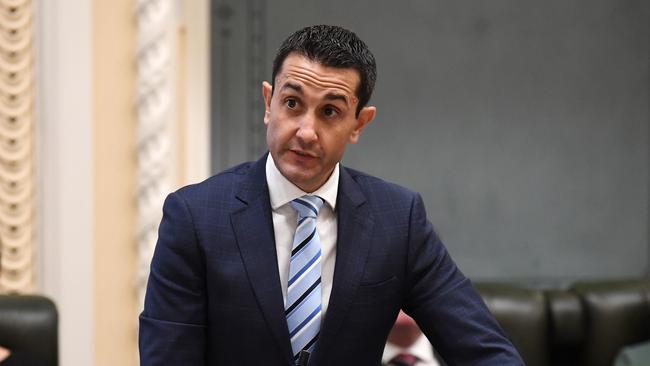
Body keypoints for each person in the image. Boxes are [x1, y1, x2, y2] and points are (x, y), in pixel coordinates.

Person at [139, 24, 524, 365]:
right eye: (292, 104)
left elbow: (483, 350)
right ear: (268, 104)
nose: (306, 131)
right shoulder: (195, 217)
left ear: (359, 123)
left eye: (329, 112)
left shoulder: (398, 219)